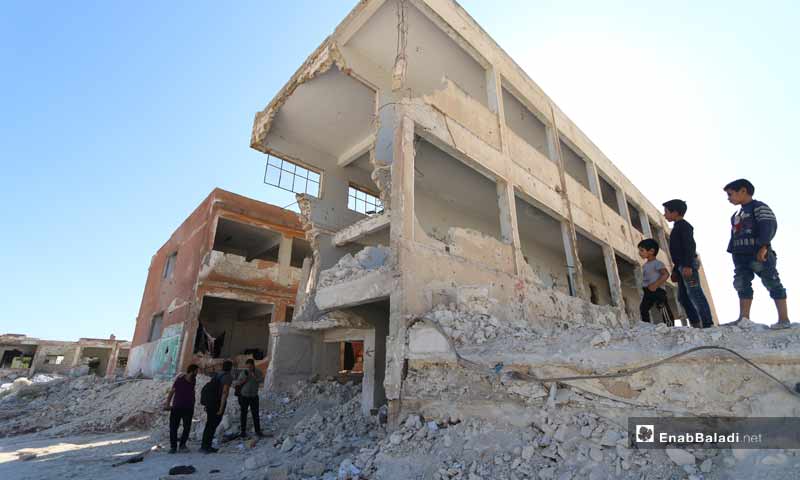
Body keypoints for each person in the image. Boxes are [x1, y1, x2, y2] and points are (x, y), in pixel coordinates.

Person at [723, 179, 790, 328]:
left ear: (743, 191)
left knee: (772, 281)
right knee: (741, 284)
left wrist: (764, 246)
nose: (729, 198)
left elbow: (768, 226)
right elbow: (734, 234)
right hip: (740, 255)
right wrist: (732, 251)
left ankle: (784, 319)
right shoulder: (736, 214)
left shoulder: (759, 207)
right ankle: (744, 319)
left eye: (730, 194)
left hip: (758, 253)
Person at [662, 199, 714, 328]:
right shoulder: (676, 228)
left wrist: (687, 265)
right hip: (681, 266)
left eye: (666, 212)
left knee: (695, 293)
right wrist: (675, 270)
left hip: (687, 265)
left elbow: (689, 246)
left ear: (675, 212)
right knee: (683, 297)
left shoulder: (684, 226)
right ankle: (696, 324)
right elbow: (678, 253)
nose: (665, 215)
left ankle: (708, 323)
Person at [164, 364, 199, 454]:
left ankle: (182, 445)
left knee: (187, 427)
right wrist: (167, 403)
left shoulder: (193, 380)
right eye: (196, 371)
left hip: (188, 408)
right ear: (192, 371)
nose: (197, 373)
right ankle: (173, 447)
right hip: (177, 407)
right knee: (173, 427)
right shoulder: (179, 380)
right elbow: (172, 392)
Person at [200, 360, 234, 453]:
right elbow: (224, 392)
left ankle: (204, 445)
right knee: (213, 424)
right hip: (217, 403)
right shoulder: (227, 377)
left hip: (210, 402)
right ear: (231, 368)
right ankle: (207, 447)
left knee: (209, 424)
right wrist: (221, 408)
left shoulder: (217, 375)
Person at [637, 239, 671, 324]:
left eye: (642, 250)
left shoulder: (657, 263)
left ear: (651, 251)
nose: (639, 253)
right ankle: (646, 326)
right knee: (643, 308)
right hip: (648, 291)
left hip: (658, 290)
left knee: (662, 307)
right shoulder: (645, 265)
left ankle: (670, 326)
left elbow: (666, 274)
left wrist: (656, 285)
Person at [236, 358, 264, 438]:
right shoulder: (244, 372)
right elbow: (238, 383)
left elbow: (261, 380)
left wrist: (254, 377)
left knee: (255, 414)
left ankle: (258, 431)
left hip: (254, 396)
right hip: (244, 396)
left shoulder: (258, 372)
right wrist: (245, 379)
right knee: (243, 414)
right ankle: (243, 432)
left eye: (250, 367)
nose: (249, 368)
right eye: (247, 367)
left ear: (253, 365)